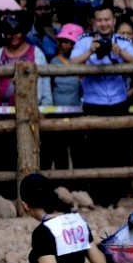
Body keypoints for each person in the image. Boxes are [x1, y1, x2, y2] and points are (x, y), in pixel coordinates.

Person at [70, 4, 133, 205]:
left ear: (114, 20)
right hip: (94, 103)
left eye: (107, 19)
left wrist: (120, 52)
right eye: (99, 20)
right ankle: (97, 197)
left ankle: (115, 196)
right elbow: (72, 63)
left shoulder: (123, 41)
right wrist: (90, 52)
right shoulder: (84, 41)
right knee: (95, 152)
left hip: (118, 102)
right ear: (94, 22)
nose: (103, 23)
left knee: (118, 151)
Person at [0, 14, 52, 192]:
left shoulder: (36, 53)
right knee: (2, 156)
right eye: (8, 32)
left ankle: (27, 193)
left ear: (24, 32)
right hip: (1, 115)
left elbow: (45, 84)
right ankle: (2, 193)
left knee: (28, 155)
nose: (13, 36)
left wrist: (43, 109)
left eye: (17, 32)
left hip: (29, 115)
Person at [44, 23, 85, 171]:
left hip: (77, 113)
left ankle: (80, 182)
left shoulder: (84, 63)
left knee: (78, 151)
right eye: (63, 41)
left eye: (70, 42)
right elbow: (49, 86)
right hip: (57, 113)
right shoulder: (53, 62)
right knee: (59, 152)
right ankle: (62, 182)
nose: (65, 45)